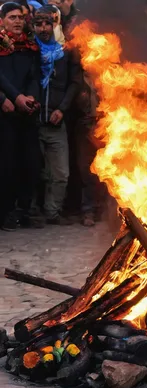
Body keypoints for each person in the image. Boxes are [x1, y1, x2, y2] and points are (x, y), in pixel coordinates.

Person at [33, 6, 81, 225]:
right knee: (33, 170)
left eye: (48, 23)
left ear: (56, 24)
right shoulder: (28, 50)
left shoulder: (66, 50)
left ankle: (53, 212)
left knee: (61, 173)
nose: (44, 28)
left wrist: (62, 108)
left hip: (56, 120)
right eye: (39, 24)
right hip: (31, 121)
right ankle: (31, 212)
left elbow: (74, 82)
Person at [0, 2, 41, 231]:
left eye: (21, 18)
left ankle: (23, 210)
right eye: (12, 17)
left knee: (32, 163)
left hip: (25, 112)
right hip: (4, 112)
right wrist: (10, 98)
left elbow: (34, 76)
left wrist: (31, 97)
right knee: (7, 166)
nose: (18, 21)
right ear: (3, 20)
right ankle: (4, 213)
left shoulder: (29, 44)